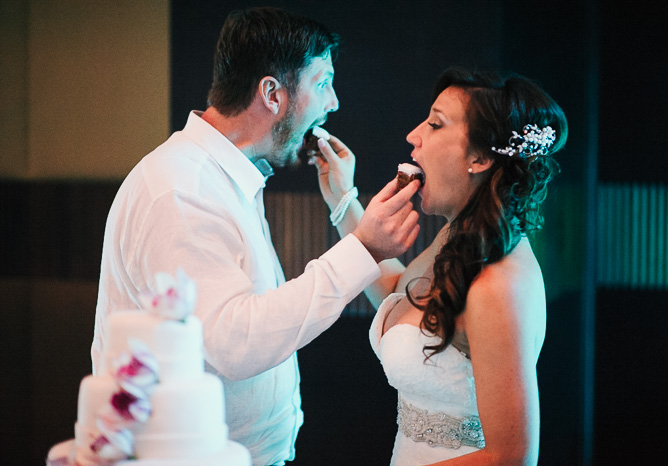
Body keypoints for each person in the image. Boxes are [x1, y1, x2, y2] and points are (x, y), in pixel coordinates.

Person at [91, 7, 420, 466]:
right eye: (322, 82)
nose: (334, 103)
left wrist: (344, 202)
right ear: (272, 94)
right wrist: (361, 249)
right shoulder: (181, 191)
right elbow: (236, 341)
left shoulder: (227, 177)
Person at [311, 67, 568, 465]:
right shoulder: (460, 237)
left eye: (434, 123)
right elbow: (403, 293)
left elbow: (512, 457)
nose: (414, 135)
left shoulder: (498, 285)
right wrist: (343, 200)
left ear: (480, 157)